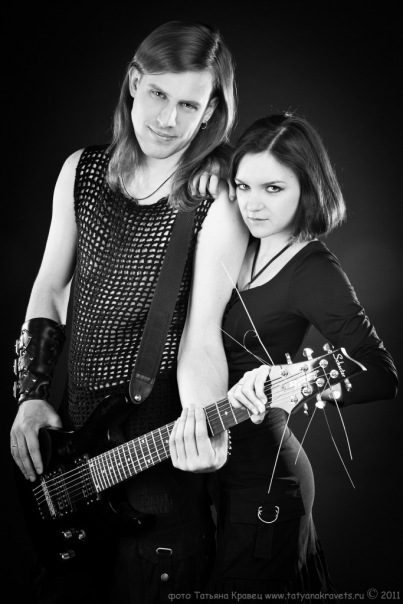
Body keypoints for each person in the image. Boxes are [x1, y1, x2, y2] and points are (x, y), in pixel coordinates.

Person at [10, 21, 248, 604]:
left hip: (158, 470)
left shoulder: (215, 198)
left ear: (210, 110)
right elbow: (50, 289)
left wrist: (206, 425)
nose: (167, 119)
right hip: (71, 460)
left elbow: (201, 337)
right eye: (159, 93)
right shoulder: (81, 171)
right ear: (135, 82)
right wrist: (31, 395)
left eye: (189, 104)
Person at [170, 113, 398, 599]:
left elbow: (381, 372)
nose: (252, 204)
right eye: (243, 186)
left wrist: (292, 381)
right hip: (212, 476)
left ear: (307, 189)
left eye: (273, 189)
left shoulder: (314, 270)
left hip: (265, 485)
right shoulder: (239, 240)